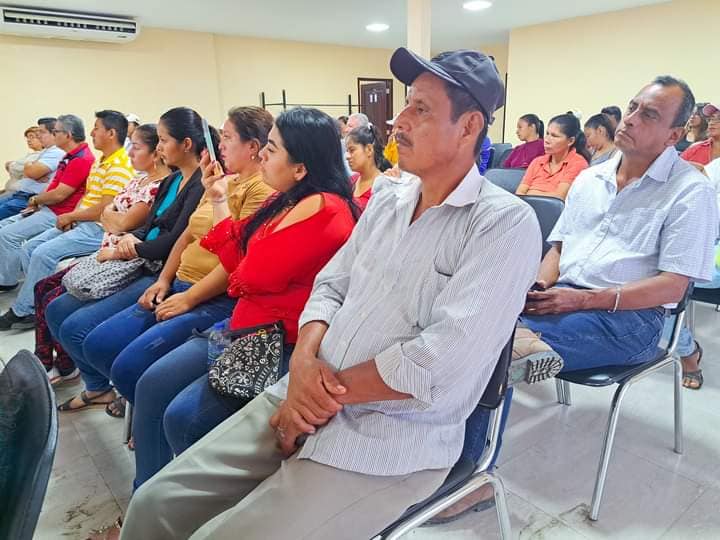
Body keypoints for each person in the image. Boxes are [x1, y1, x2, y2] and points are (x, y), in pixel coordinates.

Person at [120, 47, 544, 540]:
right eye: (406, 104)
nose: (399, 121)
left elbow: (440, 360)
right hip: (303, 388)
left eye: (421, 109)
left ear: (469, 126)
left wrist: (316, 394)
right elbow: (330, 284)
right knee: (154, 505)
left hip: (390, 438)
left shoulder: (502, 224)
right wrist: (303, 362)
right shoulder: (389, 199)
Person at [518, 76, 717, 400]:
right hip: (565, 296)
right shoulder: (589, 179)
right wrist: (538, 287)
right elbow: (560, 247)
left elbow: (673, 286)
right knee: (478, 321)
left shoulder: (691, 192)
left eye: (649, 115)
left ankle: (473, 441)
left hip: (631, 318)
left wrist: (583, 300)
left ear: (674, 136)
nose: (631, 119)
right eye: (632, 107)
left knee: (494, 345)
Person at [45, 107, 212, 413]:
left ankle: (121, 390)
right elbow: (145, 225)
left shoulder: (203, 184)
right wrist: (129, 238)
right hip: (138, 256)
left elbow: (172, 240)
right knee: (55, 309)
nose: (159, 148)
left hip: (157, 267)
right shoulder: (172, 180)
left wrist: (129, 245)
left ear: (186, 144)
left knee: (80, 330)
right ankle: (98, 387)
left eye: (163, 140)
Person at [34, 123, 170, 386]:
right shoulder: (137, 179)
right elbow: (108, 214)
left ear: (156, 153)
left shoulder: (158, 186)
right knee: (44, 289)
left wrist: (112, 218)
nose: (130, 153)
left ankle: (72, 370)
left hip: (123, 259)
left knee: (53, 296)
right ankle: (54, 362)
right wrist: (112, 218)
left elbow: (121, 221)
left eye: (136, 147)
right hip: (104, 249)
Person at [0, 110, 134, 330]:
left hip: (98, 228)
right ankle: (37, 300)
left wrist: (71, 215)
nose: (92, 133)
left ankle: (25, 310)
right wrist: (74, 215)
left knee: (42, 253)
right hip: (80, 219)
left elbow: (104, 208)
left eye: (96, 128)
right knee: (29, 248)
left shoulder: (118, 165)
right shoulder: (101, 161)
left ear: (111, 133)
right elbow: (88, 197)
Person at [0, 115, 96, 318]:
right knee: (10, 233)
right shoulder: (68, 156)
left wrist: (36, 199)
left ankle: (19, 293)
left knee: (11, 237)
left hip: (58, 212)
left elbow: (60, 194)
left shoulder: (81, 159)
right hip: (47, 207)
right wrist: (38, 201)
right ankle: (31, 297)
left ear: (67, 135)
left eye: (54, 132)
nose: (51, 135)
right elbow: (49, 185)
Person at [0, 117, 65, 219]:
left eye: (42, 132)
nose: (38, 135)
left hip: (29, 198)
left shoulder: (56, 152)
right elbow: (22, 170)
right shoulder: (45, 151)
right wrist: (29, 168)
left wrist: (28, 168)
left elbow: (31, 173)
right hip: (20, 194)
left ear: (54, 133)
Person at [515, 113, 590, 200]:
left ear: (570, 141)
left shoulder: (578, 163)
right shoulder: (537, 162)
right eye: (547, 133)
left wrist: (530, 193)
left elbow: (558, 198)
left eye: (554, 136)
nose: (546, 140)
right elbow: (519, 194)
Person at [345, 124, 391, 210]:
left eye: (352, 150)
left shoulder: (384, 186)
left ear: (369, 149)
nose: (347, 156)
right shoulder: (352, 181)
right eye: (347, 151)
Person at [2, 126, 43, 194]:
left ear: (42, 138)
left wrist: (11, 165)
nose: (28, 140)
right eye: (27, 137)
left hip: (21, 193)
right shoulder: (30, 155)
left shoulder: (42, 156)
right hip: (11, 191)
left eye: (32, 137)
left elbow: (18, 170)